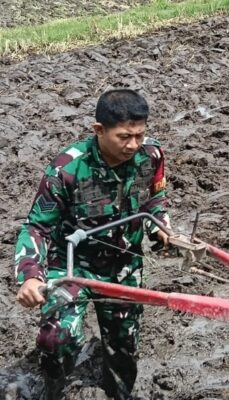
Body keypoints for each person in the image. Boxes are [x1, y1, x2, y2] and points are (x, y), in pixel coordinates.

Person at [14, 89, 171, 400]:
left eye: (140, 135)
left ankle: (118, 393)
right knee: (57, 339)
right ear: (99, 130)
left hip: (124, 265)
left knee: (124, 349)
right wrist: (30, 274)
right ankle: (53, 386)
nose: (133, 145)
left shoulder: (150, 156)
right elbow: (36, 227)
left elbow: (153, 200)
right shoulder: (67, 168)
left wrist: (162, 229)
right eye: (124, 136)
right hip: (73, 265)